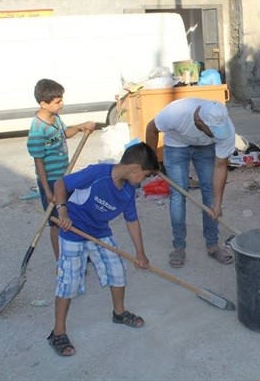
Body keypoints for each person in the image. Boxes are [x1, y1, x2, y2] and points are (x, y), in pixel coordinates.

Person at [48, 142, 160, 356]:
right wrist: (62, 212)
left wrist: (140, 253)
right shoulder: (98, 173)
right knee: (68, 282)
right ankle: (58, 332)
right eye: (145, 175)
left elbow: (132, 220)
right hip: (73, 231)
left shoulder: (128, 190)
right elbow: (61, 184)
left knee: (117, 272)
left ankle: (119, 313)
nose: (144, 181)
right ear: (135, 168)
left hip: (99, 232)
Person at [145, 98, 235, 268]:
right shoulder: (175, 113)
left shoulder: (226, 128)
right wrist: (151, 160)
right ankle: (179, 247)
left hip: (206, 148)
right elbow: (151, 128)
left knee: (209, 194)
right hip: (176, 146)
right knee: (178, 194)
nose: (217, 133)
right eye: (213, 130)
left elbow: (221, 165)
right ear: (200, 121)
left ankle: (213, 245)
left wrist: (217, 204)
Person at [27, 78, 95, 260]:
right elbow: (38, 162)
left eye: (61, 99)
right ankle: (62, 260)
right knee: (56, 221)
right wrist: (47, 189)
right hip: (50, 180)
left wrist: (81, 127)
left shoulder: (55, 119)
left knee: (72, 214)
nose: (61, 104)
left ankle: (78, 252)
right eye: (57, 102)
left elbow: (64, 134)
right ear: (43, 104)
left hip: (65, 177)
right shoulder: (37, 130)